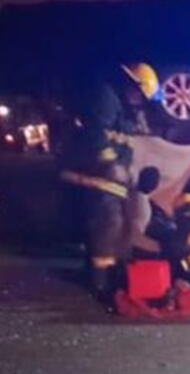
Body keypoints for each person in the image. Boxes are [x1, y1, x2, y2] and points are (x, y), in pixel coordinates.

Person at [59, 74, 138, 304]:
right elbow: (95, 132)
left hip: (111, 186)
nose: (138, 100)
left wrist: (125, 172)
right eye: (138, 94)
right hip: (100, 182)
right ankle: (101, 284)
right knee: (107, 229)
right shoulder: (108, 100)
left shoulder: (123, 112)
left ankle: (106, 276)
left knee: (115, 228)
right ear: (131, 85)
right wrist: (110, 162)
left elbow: (123, 148)